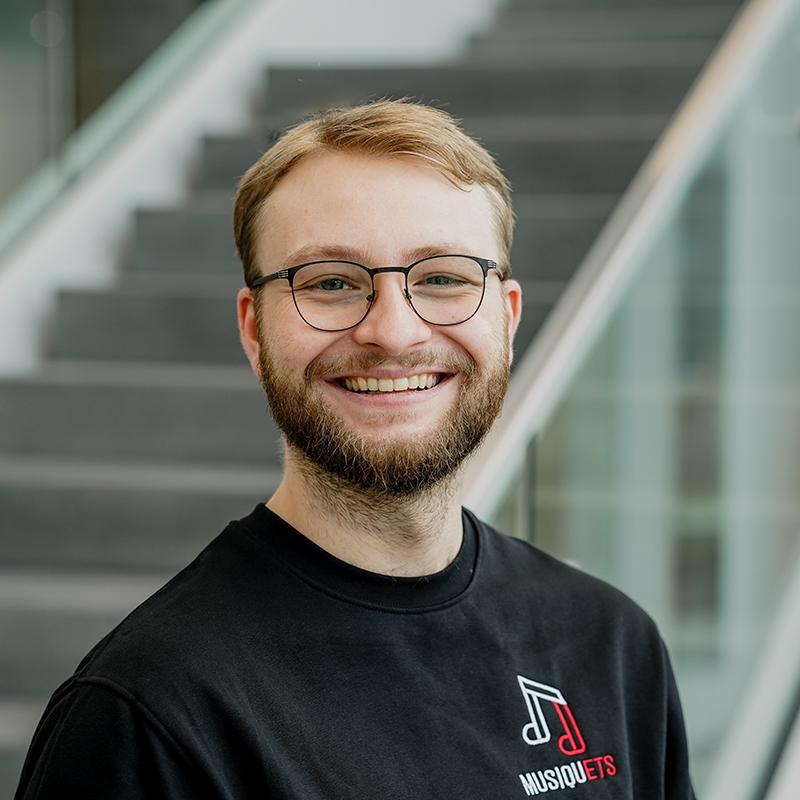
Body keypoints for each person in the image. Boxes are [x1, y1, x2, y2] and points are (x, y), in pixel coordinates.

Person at [16, 100, 695, 799]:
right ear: (255, 332)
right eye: (332, 283)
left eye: (443, 278)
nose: (394, 334)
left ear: (508, 316)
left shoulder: (610, 645)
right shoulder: (152, 714)